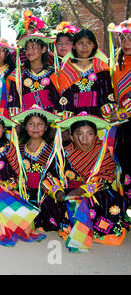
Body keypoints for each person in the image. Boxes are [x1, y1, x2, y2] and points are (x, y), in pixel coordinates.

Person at [56, 112, 127, 246]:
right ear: (71, 136)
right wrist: (58, 192)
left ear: (95, 136)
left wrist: (82, 190)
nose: (84, 138)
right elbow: (52, 175)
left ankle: (101, 232)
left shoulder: (101, 150)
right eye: (79, 133)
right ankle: (73, 230)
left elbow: (107, 175)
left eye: (89, 134)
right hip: (70, 191)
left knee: (113, 201)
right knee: (62, 203)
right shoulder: (63, 152)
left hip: (96, 191)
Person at [10, 105, 68, 232]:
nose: (35, 128)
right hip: (24, 192)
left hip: (45, 193)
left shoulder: (54, 149)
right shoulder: (18, 148)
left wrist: (52, 189)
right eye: (31, 124)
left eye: (40, 124)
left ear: (46, 127)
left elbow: (56, 173)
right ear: (25, 126)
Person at [57, 28, 116, 118]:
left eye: (89, 43)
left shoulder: (100, 67)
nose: (85, 47)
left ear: (94, 46)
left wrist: (109, 112)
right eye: (81, 43)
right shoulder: (67, 69)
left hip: (97, 117)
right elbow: (65, 96)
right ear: (74, 46)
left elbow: (106, 92)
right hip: (74, 118)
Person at [109, 20, 131, 203]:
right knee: (123, 163)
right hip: (121, 126)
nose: (126, 43)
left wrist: (123, 113)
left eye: (130, 38)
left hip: (125, 118)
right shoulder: (116, 64)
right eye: (123, 38)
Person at [8, 34, 59, 113]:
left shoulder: (53, 73)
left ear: (43, 49)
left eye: (33, 47)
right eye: (27, 48)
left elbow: (57, 98)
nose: (29, 51)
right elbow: (14, 100)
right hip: (27, 120)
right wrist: (16, 121)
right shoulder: (18, 74)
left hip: (50, 119)